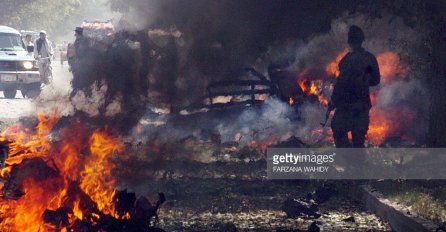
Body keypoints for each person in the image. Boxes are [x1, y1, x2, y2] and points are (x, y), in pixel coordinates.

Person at [329, 25, 381, 148]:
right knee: (358, 141)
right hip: (362, 106)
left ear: (349, 42)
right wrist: (364, 80)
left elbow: (340, 83)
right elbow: (376, 80)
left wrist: (333, 101)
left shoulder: (346, 60)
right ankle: (357, 165)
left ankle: (350, 163)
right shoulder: (370, 58)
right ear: (362, 40)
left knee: (338, 130)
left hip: (346, 105)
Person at [69, 27, 91, 99]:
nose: (74, 34)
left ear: (77, 33)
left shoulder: (82, 41)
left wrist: (78, 60)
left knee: (80, 81)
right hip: (79, 64)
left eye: (75, 32)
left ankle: (86, 96)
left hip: (81, 65)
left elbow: (80, 52)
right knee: (80, 81)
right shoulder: (79, 40)